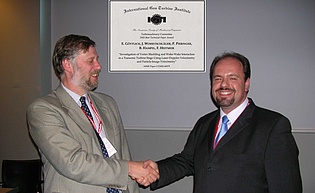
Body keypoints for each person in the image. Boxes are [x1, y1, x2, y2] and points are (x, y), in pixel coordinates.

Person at [144, 52, 302, 193]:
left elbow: (285, 186)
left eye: (232, 78)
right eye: (217, 78)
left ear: (247, 84)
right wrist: (154, 170)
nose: (224, 84)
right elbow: (187, 161)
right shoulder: (204, 123)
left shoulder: (273, 126)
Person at [27, 34, 158, 193]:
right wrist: (129, 169)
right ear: (68, 64)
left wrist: (135, 173)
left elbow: (123, 155)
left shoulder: (107, 104)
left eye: (97, 59)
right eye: (91, 61)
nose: (98, 66)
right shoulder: (44, 109)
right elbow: (73, 163)